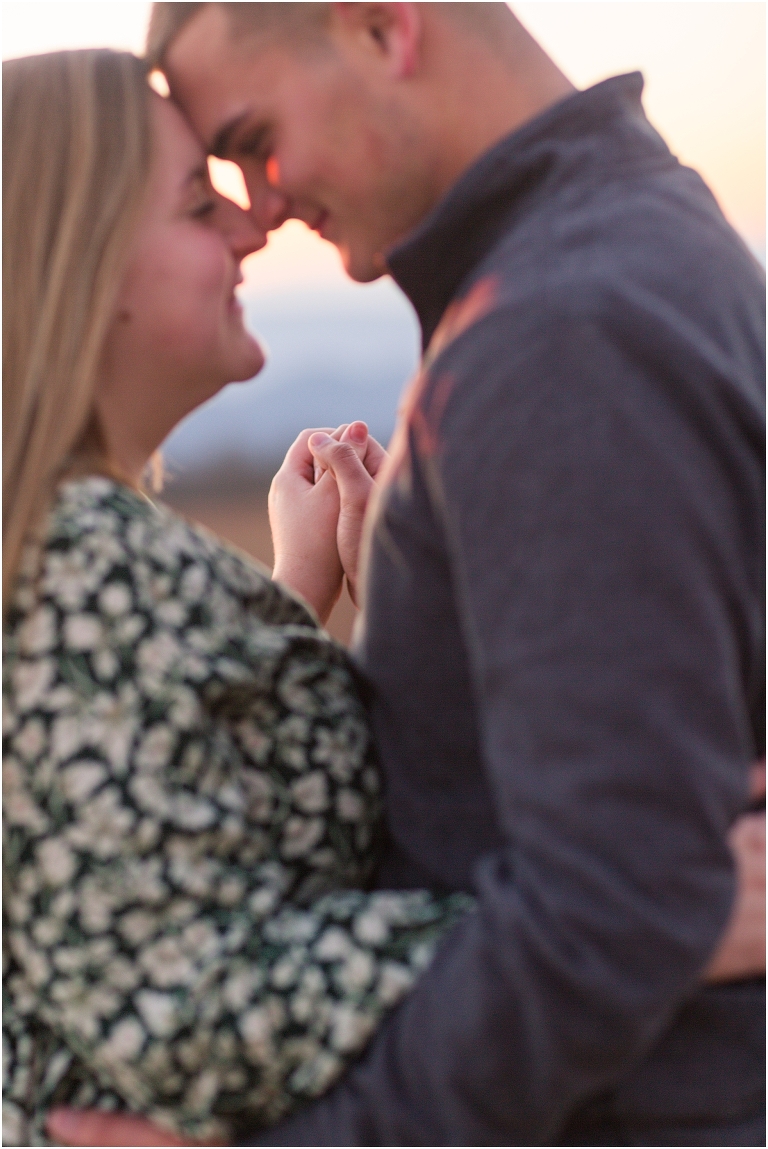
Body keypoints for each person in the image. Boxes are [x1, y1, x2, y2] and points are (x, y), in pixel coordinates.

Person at [47, 3, 766, 1146]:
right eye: (212, 187)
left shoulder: (558, 332)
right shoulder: (615, 255)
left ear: (384, 28)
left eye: (250, 139)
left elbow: (612, 902)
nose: (262, 209)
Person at [1, 49, 472, 1147]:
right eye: (191, 204)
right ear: (81, 267)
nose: (251, 227)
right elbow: (200, 1016)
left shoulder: (73, 564)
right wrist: (615, 926)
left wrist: (293, 599)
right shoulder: (79, 572)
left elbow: (158, 811)